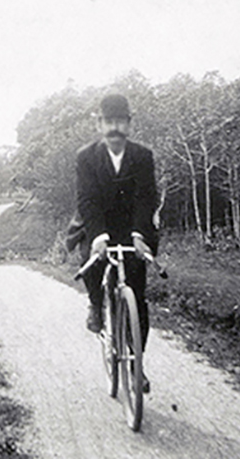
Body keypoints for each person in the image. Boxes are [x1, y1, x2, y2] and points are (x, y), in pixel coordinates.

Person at [75, 93, 158, 386]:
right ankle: (96, 305)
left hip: (132, 229)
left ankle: (137, 364)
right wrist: (98, 236)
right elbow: (87, 201)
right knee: (91, 261)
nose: (115, 129)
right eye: (109, 122)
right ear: (99, 124)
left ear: (129, 124)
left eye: (120, 122)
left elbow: (147, 199)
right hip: (99, 225)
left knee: (137, 294)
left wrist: (139, 235)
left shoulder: (143, 156)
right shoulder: (86, 157)